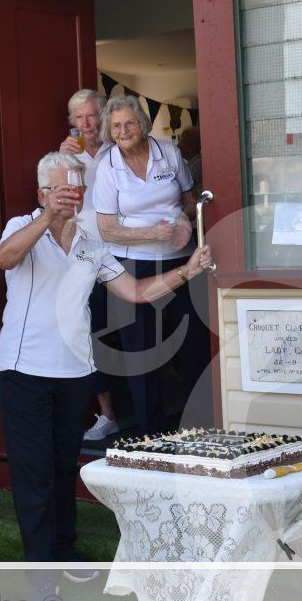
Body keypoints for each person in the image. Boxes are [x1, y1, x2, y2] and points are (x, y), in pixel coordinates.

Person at [0, 151, 213, 601]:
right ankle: (41, 578)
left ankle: (64, 548)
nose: (69, 192)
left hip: (74, 371)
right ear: (41, 193)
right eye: (59, 187)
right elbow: (4, 260)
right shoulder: (20, 226)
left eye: (75, 185)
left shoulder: (91, 239)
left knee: (61, 466)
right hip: (23, 370)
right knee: (34, 474)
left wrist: (186, 271)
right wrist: (48, 218)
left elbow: (135, 291)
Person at [92, 95, 211, 435]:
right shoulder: (107, 167)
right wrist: (152, 233)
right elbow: (106, 227)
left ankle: (199, 426)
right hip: (132, 266)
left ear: (142, 124)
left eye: (129, 123)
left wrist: (185, 221)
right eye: (116, 126)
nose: (123, 131)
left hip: (181, 260)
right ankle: (150, 433)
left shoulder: (169, 154)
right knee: (141, 352)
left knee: (191, 347)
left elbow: (193, 200)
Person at [58, 89, 118, 442]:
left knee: (127, 336)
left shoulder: (118, 147)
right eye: (79, 118)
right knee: (89, 336)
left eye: (92, 115)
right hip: (84, 255)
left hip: (125, 251)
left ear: (103, 115)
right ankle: (107, 413)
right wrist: (62, 161)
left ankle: (143, 414)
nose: (87, 124)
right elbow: (54, 200)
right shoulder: (65, 156)